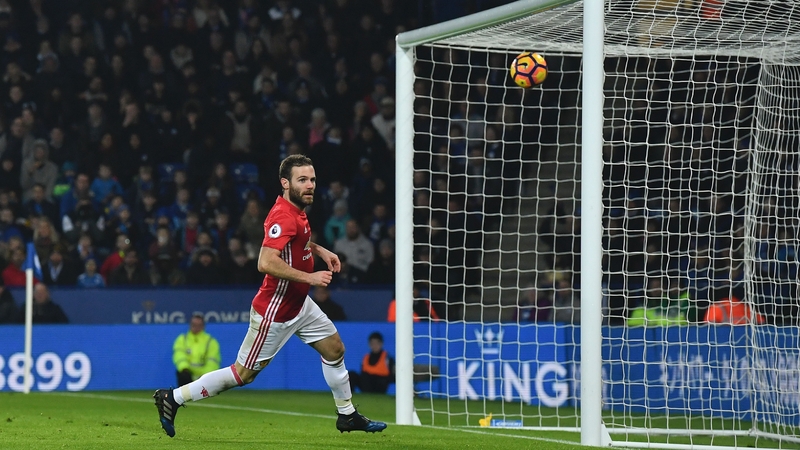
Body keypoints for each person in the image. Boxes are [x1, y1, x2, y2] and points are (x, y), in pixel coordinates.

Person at [153, 155, 386, 437]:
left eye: (312, 179)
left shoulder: (296, 211)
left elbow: (297, 242)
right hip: (275, 311)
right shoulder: (283, 216)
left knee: (335, 349)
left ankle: (347, 414)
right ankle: (173, 398)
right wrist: (311, 277)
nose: (310, 185)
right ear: (285, 183)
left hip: (300, 304)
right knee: (242, 374)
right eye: (302, 180)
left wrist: (320, 251)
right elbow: (265, 262)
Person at [173, 313, 221, 387]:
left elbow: (213, 361)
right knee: (181, 373)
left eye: (199, 325)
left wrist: (204, 376)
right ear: (190, 325)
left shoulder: (211, 341)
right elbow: (179, 356)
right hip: (187, 376)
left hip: (204, 377)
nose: (196, 327)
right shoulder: (182, 339)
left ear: (203, 326)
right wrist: (185, 369)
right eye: (194, 325)